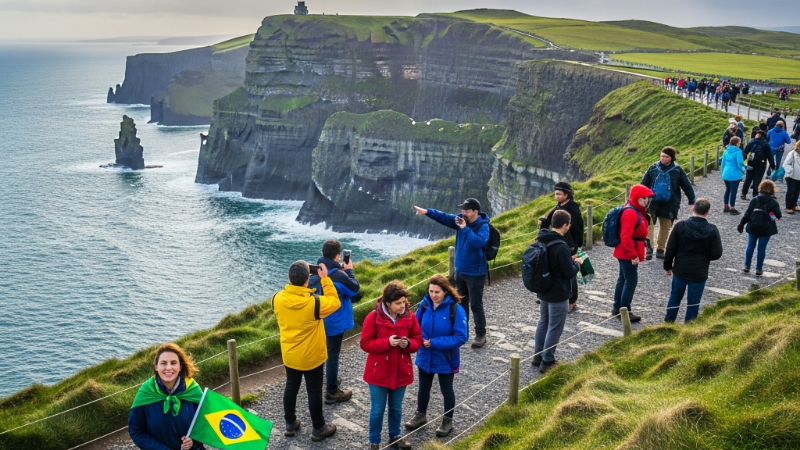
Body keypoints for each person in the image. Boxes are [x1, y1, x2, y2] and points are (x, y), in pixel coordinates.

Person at [273, 261, 340, 441]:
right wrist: (325, 279)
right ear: (307, 280)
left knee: (291, 387)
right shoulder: (315, 304)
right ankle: (318, 427)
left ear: (289, 278)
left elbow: (287, 296)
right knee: (314, 392)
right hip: (311, 357)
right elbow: (335, 302)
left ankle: (290, 423)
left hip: (290, 355)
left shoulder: (277, 298)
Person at [414, 198, 490, 348]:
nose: (463, 213)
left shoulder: (483, 226)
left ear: (475, 212)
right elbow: (444, 217)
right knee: (461, 304)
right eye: (462, 210)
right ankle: (463, 333)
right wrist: (427, 212)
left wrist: (465, 229)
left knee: (476, 304)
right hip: (460, 271)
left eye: (466, 211)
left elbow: (478, 243)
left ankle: (481, 334)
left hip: (476, 272)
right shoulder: (461, 220)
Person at [404, 274, 468, 437]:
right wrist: (419, 338)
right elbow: (415, 326)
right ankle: (420, 415)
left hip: (446, 358)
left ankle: (448, 421)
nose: (433, 295)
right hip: (425, 355)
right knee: (423, 389)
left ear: (446, 291)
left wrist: (433, 342)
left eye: (437, 292)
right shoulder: (424, 305)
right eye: (431, 291)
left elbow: (461, 337)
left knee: (447, 390)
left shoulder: (456, 309)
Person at [361, 281, 422, 450]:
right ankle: (374, 442)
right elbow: (365, 344)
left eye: (404, 302)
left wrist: (408, 344)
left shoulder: (410, 316)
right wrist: (387, 342)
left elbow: (418, 340)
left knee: (396, 408)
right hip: (378, 372)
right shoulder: (372, 317)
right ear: (388, 303)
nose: (402, 306)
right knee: (377, 410)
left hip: (401, 371)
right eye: (398, 303)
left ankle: (394, 437)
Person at [129, 343, 205, 450]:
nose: (168, 368)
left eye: (173, 363)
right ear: (156, 366)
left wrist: (194, 440)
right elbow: (136, 430)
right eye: (163, 363)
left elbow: (205, 422)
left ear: (180, 367)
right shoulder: (145, 392)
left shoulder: (193, 389)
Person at [533, 210, 581, 372]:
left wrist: (569, 260)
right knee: (555, 326)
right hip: (558, 292)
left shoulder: (543, 238)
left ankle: (537, 355)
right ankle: (548, 360)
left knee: (543, 322)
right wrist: (577, 263)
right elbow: (568, 272)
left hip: (544, 289)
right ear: (565, 225)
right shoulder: (561, 245)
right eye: (568, 225)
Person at [313, 240, 359, 404]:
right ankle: (332, 390)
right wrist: (349, 271)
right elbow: (355, 290)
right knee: (333, 355)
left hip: (317, 319)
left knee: (321, 352)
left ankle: (323, 381)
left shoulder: (315, 271)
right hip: (334, 321)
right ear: (337, 255)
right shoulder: (340, 275)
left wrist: (339, 268)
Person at [663, 199, 723, 323]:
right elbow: (717, 253)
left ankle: (669, 322)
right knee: (694, 301)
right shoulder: (712, 230)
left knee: (675, 296)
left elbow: (670, 248)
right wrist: (705, 257)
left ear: (693, 209)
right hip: (699, 271)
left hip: (680, 268)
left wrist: (668, 266)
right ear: (707, 212)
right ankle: (689, 326)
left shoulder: (680, 225)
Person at [640, 147, 695, 259]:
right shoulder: (653, 168)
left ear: (672, 158)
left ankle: (661, 249)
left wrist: (692, 200)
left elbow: (686, 185)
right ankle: (649, 248)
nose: (663, 158)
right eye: (661, 156)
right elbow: (643, 183)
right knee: (649, 225)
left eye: (666, 156)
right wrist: (639, 198)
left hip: (670, 204)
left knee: (665, 227)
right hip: (652, 202)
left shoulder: (677, 170)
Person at [538, 181, 584, 312]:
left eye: (559, 194)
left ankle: (572, 300)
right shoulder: (559, 206)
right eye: (555, 194)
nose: (556, 196)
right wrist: (543, 222)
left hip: (569, 244)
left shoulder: (573, 209)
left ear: (567, 194)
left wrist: (576, 245)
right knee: (554, 268)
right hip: (557, 242)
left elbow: (579, 229)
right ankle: (552, 295)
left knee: (570, 273)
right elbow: (551, 218)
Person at [612, 185, 655, 323]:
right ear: (637, 198)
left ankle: (618, 308)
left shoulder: (634, 209)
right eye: (644, 198)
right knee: (630, 280)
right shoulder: (631, 212)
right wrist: (633, 255)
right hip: (627, 252)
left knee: (623, 279)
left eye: (648, 198)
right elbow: (626, 236)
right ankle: (624, 311)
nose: (646, 201)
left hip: (625, 251)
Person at [738, 180, 782, 276]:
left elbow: (748, 214)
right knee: (761, 249)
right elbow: (777, 217)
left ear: (760, 188)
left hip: (753, 227)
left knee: (750, 246)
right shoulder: (773, 202)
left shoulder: (754, 200)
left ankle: (747, 266)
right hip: (766, 229)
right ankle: (759, 269)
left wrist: (741, 223)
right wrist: (770, 214)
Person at [741, 130, 775, 200]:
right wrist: (772, 165)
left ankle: (743, 194)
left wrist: (741, 162)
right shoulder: (766, 144)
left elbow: (745, 152)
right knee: (757, 181)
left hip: (751, 163)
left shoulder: (751, 142)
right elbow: (769, 156)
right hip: (761, 165)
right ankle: (755, 196)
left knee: (748, 179)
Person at [721, 136, 746, 214]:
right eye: (739, 142)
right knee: (733, 191)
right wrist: (744, 169)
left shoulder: (726, 151)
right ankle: (732, 208)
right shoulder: (738, 152)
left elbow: (723, 163)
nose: (740, 144)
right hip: (735, 174)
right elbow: (739, 164)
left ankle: (725, 206)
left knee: (727, 190)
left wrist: (723, 172)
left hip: (726, 173)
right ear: (736, 143)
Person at [782, 141, 800, 214]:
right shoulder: (793, 153)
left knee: (797, 191)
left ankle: (794, 204)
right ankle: (788, 206)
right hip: (791, 176)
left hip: (799, 176)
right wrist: (791, 171)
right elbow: (786, 164)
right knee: (791, 191)